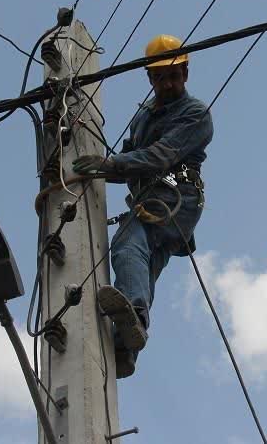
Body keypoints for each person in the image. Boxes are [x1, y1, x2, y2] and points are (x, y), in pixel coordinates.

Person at [72, 34, 213, 378]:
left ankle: (133, 315)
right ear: (150, 79)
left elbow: (158, 157)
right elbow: (131, 166)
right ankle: (126, 345)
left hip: (174, 199)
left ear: (186, 74)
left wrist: (107, 165)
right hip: (151, 196)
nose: (168, 83)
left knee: (126, 245)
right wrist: (96, 168)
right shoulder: (144, 116)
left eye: (174, 75)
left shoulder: (195, 114)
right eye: (160, 77)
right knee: (140, 269)